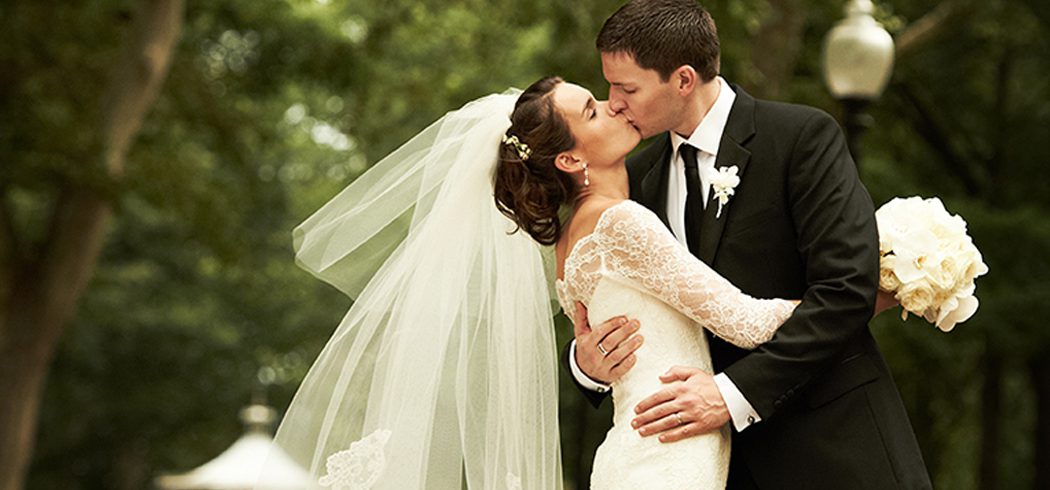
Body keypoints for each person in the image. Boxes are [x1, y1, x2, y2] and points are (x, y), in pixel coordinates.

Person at [564, 1, 932, 489]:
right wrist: (585, 365)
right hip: (701, 469)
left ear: (683, 79)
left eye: (627, 88)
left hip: (833, 453)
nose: (613, 103)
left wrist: (730, 395)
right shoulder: (634, 181)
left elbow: (845, 291)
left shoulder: (802, 138)